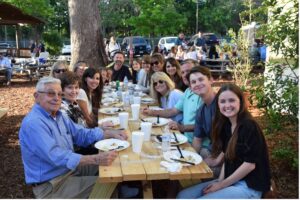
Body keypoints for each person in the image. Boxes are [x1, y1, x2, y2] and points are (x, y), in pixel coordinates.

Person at [19, 76, 127, 198]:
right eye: (50, 94)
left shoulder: (59, 115)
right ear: (36, 96)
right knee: (108, 185)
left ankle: (126, 190)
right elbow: (56, 155)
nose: (56, 98)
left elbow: (81, 134)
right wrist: (96, 158)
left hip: (69, 170)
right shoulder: (34, 123)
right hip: (53, 185)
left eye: (59, 94)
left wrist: (109, 133)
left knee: (114, 166)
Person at [177, 84, 271, 199]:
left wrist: (221, 185)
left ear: (240, 102)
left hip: (249, 186)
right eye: (222, 101)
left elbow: (249, 165)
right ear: (218, 104)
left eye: (231, 100)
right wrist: (219, 181)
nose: (227, 105)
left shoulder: (249, 126)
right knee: (183, 196)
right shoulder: (226, 125)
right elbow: (228, 157)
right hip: (230, 180)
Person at [142, 59, 202, 143]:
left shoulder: (177, 93)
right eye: (183, 72)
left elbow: (204, 127)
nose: (185, 75)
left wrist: (181, 127)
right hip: (184, 137)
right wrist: (151, 112)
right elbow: (172, 111)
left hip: (191, 140)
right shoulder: (188, 91)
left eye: (160, 81)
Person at [188, 66, 223, 176]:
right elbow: (197, 140)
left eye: (201, 79)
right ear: (191, 87)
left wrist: (217, 160)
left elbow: (235, 138)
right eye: (193, 82)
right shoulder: (201, 111)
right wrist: (189, 158)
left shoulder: (223, 105)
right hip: (212, 152)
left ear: (211, 80)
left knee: (194, 175)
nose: (197, 84)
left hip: (228, 159)